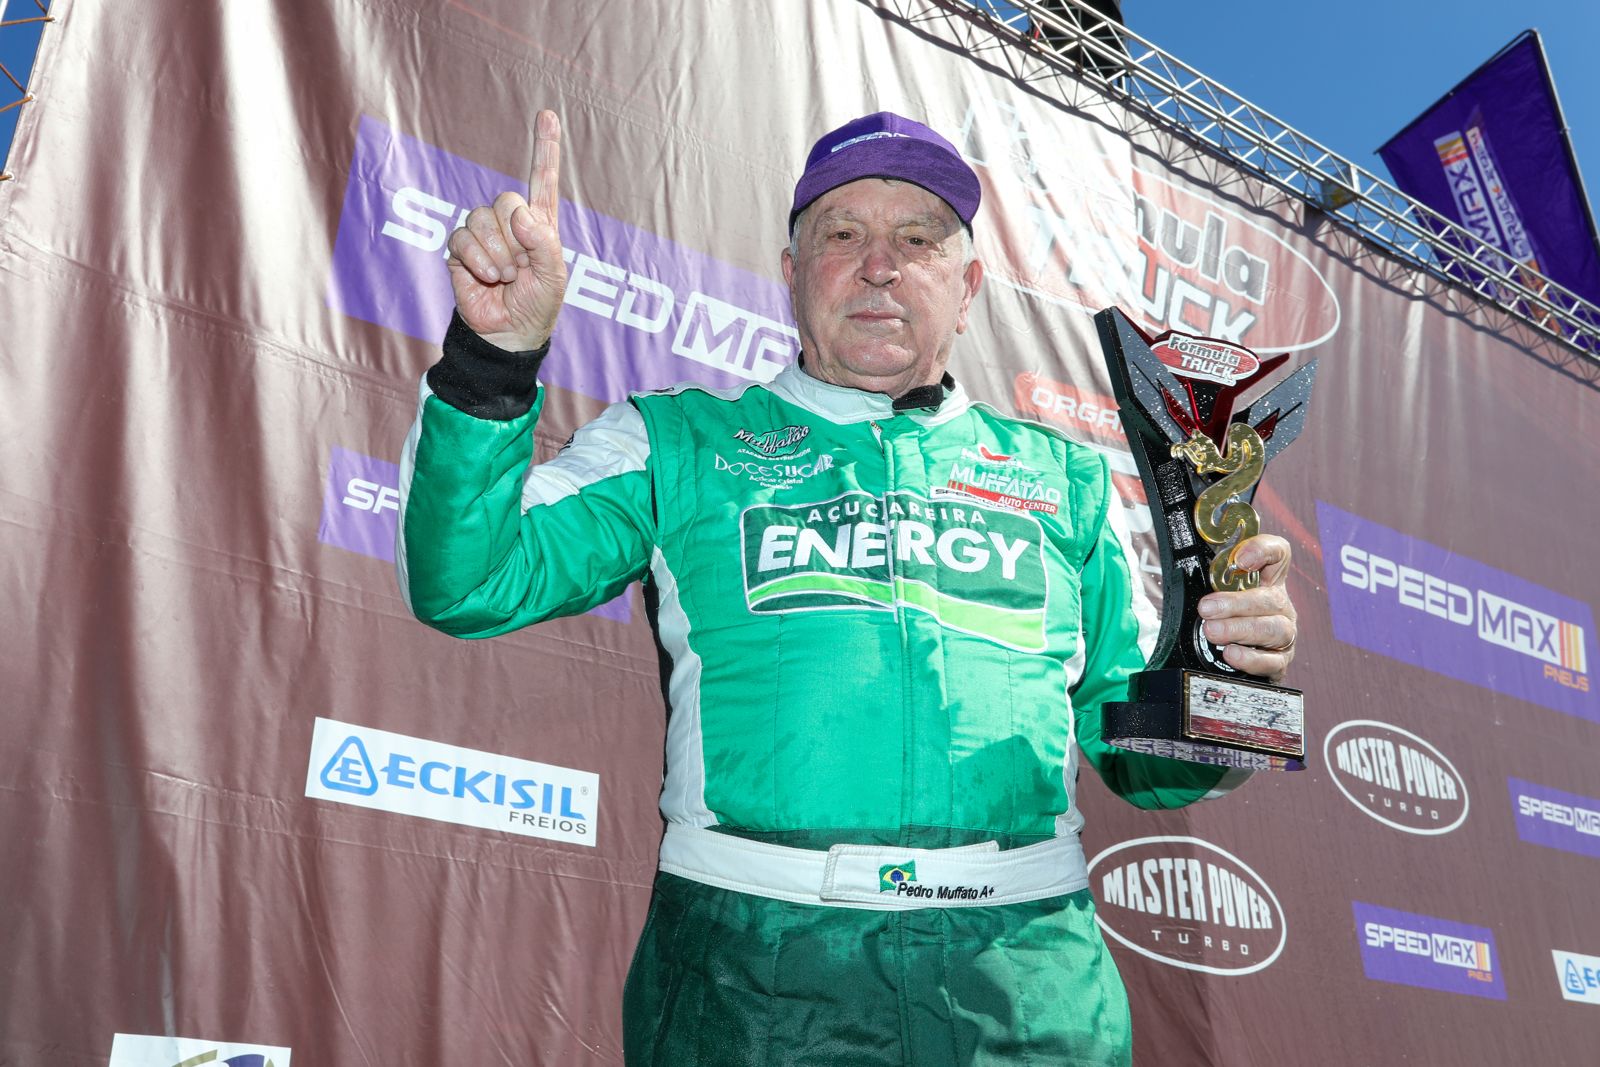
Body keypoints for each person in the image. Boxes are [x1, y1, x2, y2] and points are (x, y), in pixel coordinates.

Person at [396, 109, 1298, 1066]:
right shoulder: (677, 439)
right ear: (792, 275)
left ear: (968, 286)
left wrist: (1230, 685)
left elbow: (1144, 761)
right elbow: (469, 579)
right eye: (842, 235)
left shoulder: (1065, 479)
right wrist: (492, 359)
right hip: (753, 981)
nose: (880, 265)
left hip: (1027, 990)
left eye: (918, 239)